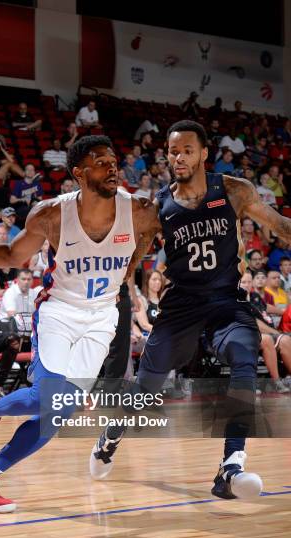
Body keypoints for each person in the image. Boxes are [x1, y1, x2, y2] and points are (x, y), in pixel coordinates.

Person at [0, 134, 158, 512]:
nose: (112, 167)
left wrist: (132, 265)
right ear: (79, 173)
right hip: (59, 310)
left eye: (113, 160)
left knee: (58, 413)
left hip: (102, 317)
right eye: (100, 161)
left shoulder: (139, 210)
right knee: (48, 396)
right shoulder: (52, 215)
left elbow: (152, 233)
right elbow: (12, 255)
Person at [90, 119, 291, 502]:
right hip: (180, 304)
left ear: (203, 154)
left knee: (244, 358)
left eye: (185, 150)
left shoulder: (234, 190)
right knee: (148, 385)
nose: (177, 157)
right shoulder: (157, 206)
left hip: (225, 301)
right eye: (172, 150)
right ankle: (110, 436)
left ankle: (231, 464)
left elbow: (281, 226)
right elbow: (136, 256)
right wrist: (123, 287)